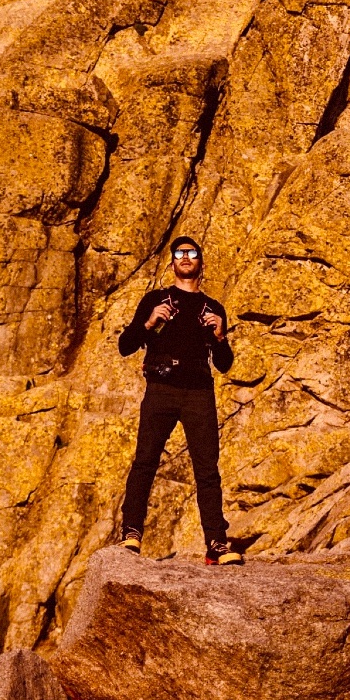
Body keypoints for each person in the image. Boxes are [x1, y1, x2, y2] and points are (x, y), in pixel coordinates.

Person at [117, 235, 243, 566]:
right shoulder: (156, 300)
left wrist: (219, 337)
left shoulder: (213, 309)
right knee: (145, 461)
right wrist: (148, 323)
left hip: (199, 392)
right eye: (179, 253)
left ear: (201, 261)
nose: (185, 257)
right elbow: (125, 346)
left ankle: (216, 542)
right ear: (172, 262)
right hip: (161, 388)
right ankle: (131, 532)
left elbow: (226, 364)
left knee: (207, 471)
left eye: (192, 253)